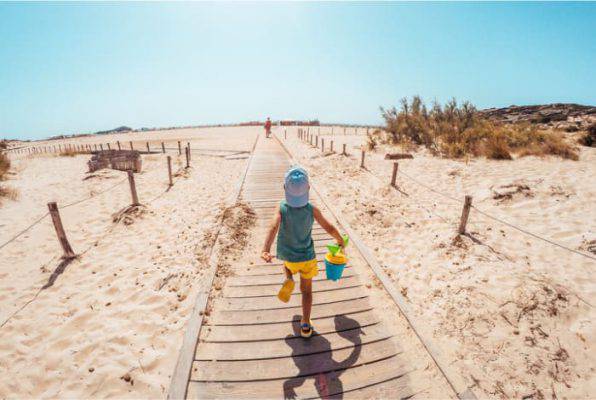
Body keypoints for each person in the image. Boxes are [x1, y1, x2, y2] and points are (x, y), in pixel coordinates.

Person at [261, 166, 344, 338]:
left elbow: (273, 226)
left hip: (289, 257)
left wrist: (266, 249)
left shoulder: (281, 207)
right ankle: (306, 325)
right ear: (308, 188)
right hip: (307, 258)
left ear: (285, 188)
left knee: (287, 265)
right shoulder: (311, 209)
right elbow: (328, 226)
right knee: (306, 291)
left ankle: (289, 278)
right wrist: (339, 239)